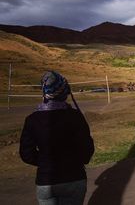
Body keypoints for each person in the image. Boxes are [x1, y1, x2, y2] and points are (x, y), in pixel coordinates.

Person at [19, 71, 94, 205]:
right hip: (74, 177)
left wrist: (44, 162)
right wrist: (77, 161)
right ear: (64, 92)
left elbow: (26, 153)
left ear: (44, 93)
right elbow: (87, 148)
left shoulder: (32, 120)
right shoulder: (75, 116)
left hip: (46, 181)